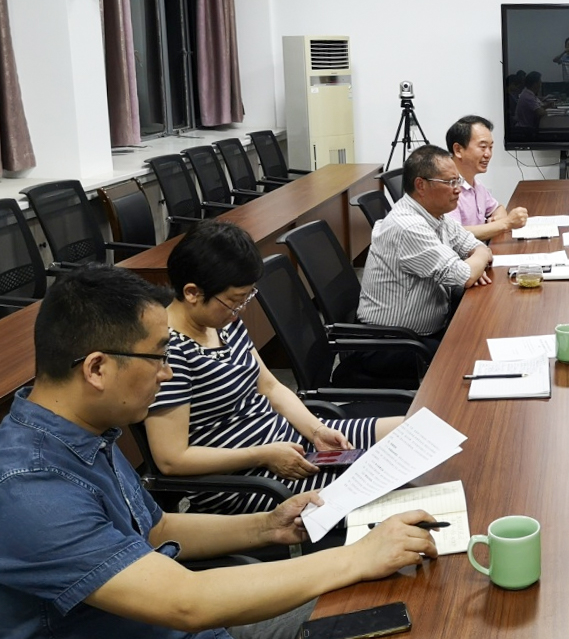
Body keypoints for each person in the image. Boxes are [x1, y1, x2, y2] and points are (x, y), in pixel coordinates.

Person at [0, 264, 439, 639]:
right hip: (183, 617)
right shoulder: (30, 487)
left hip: (192, 622)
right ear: (97, 368)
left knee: (403, 593)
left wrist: (268, 525)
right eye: (157, 358)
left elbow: (155, 530)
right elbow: (184, 601)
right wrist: (356, 557)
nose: (167, 373)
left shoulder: (84, 430)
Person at [144, 220, 406, 515]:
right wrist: (263, 455)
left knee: (412, 432)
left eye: (246, 298)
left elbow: (269, 386)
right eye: (234, 301)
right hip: (249, 482)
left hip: (289, 445)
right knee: (390, 486)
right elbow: (172, 459)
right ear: (192, 293)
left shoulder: (221, 322)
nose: (239, 311)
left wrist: (317, 430)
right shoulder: (167, 351)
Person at [358, 144, 493, 345]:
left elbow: (471, 244)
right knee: (476, 345)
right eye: (450, 182)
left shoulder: (436, 214)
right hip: (394, 343)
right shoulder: (408, 226)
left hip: (419, 334)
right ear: (421, 185)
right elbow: (464, 275)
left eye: (458, 180)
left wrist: (477, 259)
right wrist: (479, 258)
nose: (458, 189)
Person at [445, 115, 528, 240]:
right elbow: (456, 234)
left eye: (490, 147)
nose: (488, 154)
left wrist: (498, 219)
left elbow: (498, 208)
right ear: (458, 150)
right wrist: (505, 223)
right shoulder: (446, 187)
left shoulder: (476, 184)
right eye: (483, 147)